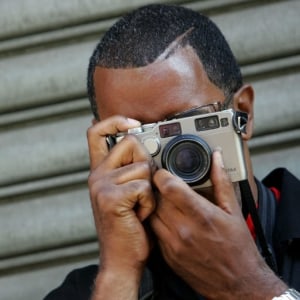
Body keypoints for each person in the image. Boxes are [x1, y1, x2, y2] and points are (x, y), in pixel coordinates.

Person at [44, 4, 300, 300]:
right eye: (137, 136)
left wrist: (250, 285)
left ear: (243, 113)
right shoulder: (87, 291)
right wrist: (119, 274)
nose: (171, 160)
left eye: (185, 124)